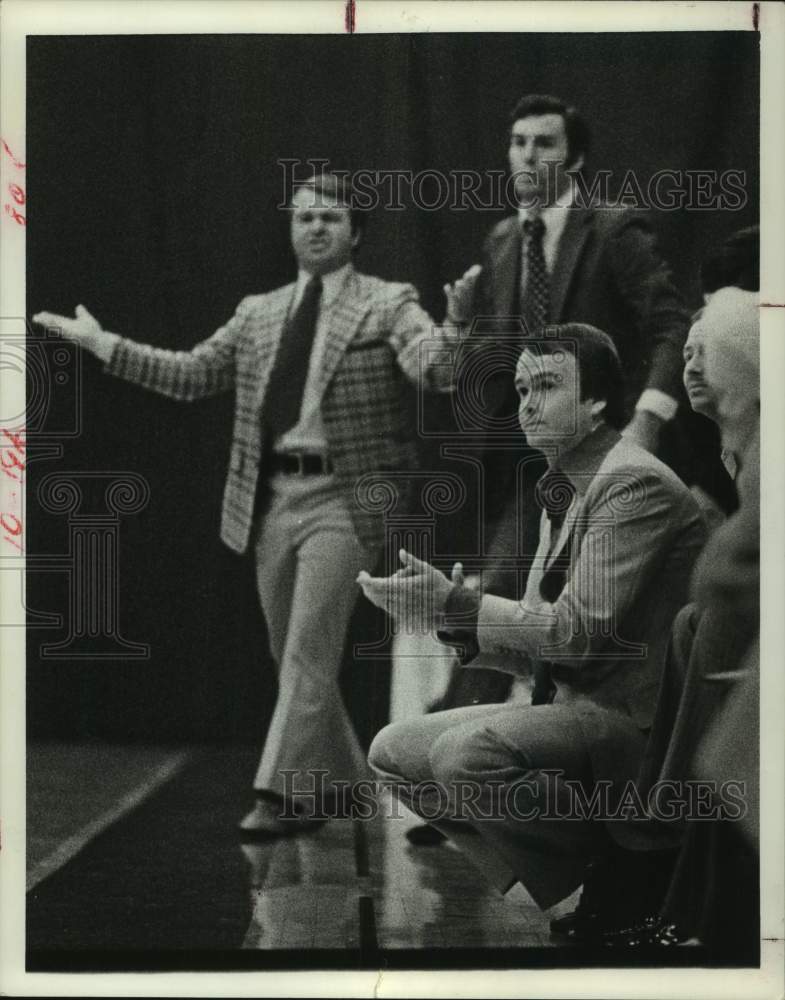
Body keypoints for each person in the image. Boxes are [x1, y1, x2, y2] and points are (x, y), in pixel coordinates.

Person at [33, 172, 462, 838]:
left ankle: (277, 796)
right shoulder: (258, 312)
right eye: (303, 218)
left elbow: (432, 366)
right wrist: (105, 347)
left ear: (356, 232)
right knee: (291, 652)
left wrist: (457, 326)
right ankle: (343, 791)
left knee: (305, 652)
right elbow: (193, 372)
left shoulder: (388, 302)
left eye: (330, 217)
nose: (315, 227)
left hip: (345, 500)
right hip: (273, 499)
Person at [358, 323, 705, 926]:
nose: (526, 405)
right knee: (394, 749)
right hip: (575, 706)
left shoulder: (631, 481)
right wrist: (444, 614)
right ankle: (583, 881)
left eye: (546, 386)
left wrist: (461, 603)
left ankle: (630, 872)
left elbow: (574, 633)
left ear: (597, 401)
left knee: (465, 755)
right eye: (520, 390)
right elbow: (541, 652)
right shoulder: (563, 486)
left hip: (639, 728)